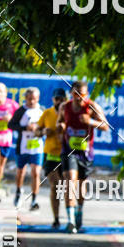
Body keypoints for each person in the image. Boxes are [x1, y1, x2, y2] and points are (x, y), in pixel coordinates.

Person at [57, 80, 109, 231]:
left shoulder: (92, 106)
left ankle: (79, 211)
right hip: (68, 150)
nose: (79, 97)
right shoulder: (64, 107)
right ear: (71, 93)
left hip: (85, 152)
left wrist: (90, 121)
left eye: (82, 95)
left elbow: (105, 126)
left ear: (86, 94)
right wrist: (60, 127)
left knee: (81, 185)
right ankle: (70, 220)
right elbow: (59, 123)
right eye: (76, 94)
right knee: (70, 181)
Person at [36, 87, 74, 231]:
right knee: (55, 186)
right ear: (53, 100)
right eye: (57, 99)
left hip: (67, 154)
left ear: (66, 100)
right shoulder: (47, 113)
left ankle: (70, 218)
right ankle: (56, 219)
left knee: (66, 188)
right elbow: (36, 131)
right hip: (50, 155)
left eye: (62, 99)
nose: (59, 102)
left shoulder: (70, 113)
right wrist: (42, 131)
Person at [8, 87, 44, 211]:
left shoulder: (42, 111)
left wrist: (39, 130)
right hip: (22, 146)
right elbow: (11, 125)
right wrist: (24, 128)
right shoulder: (21, 111)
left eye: (34, 99)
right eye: (29, 99)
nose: (31, 101)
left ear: (38, 98)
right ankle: (18, 192)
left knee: (36, 173)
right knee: (20, 172)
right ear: (25, 98)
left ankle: (34, 200)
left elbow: (46, 127)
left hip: (37, 147)